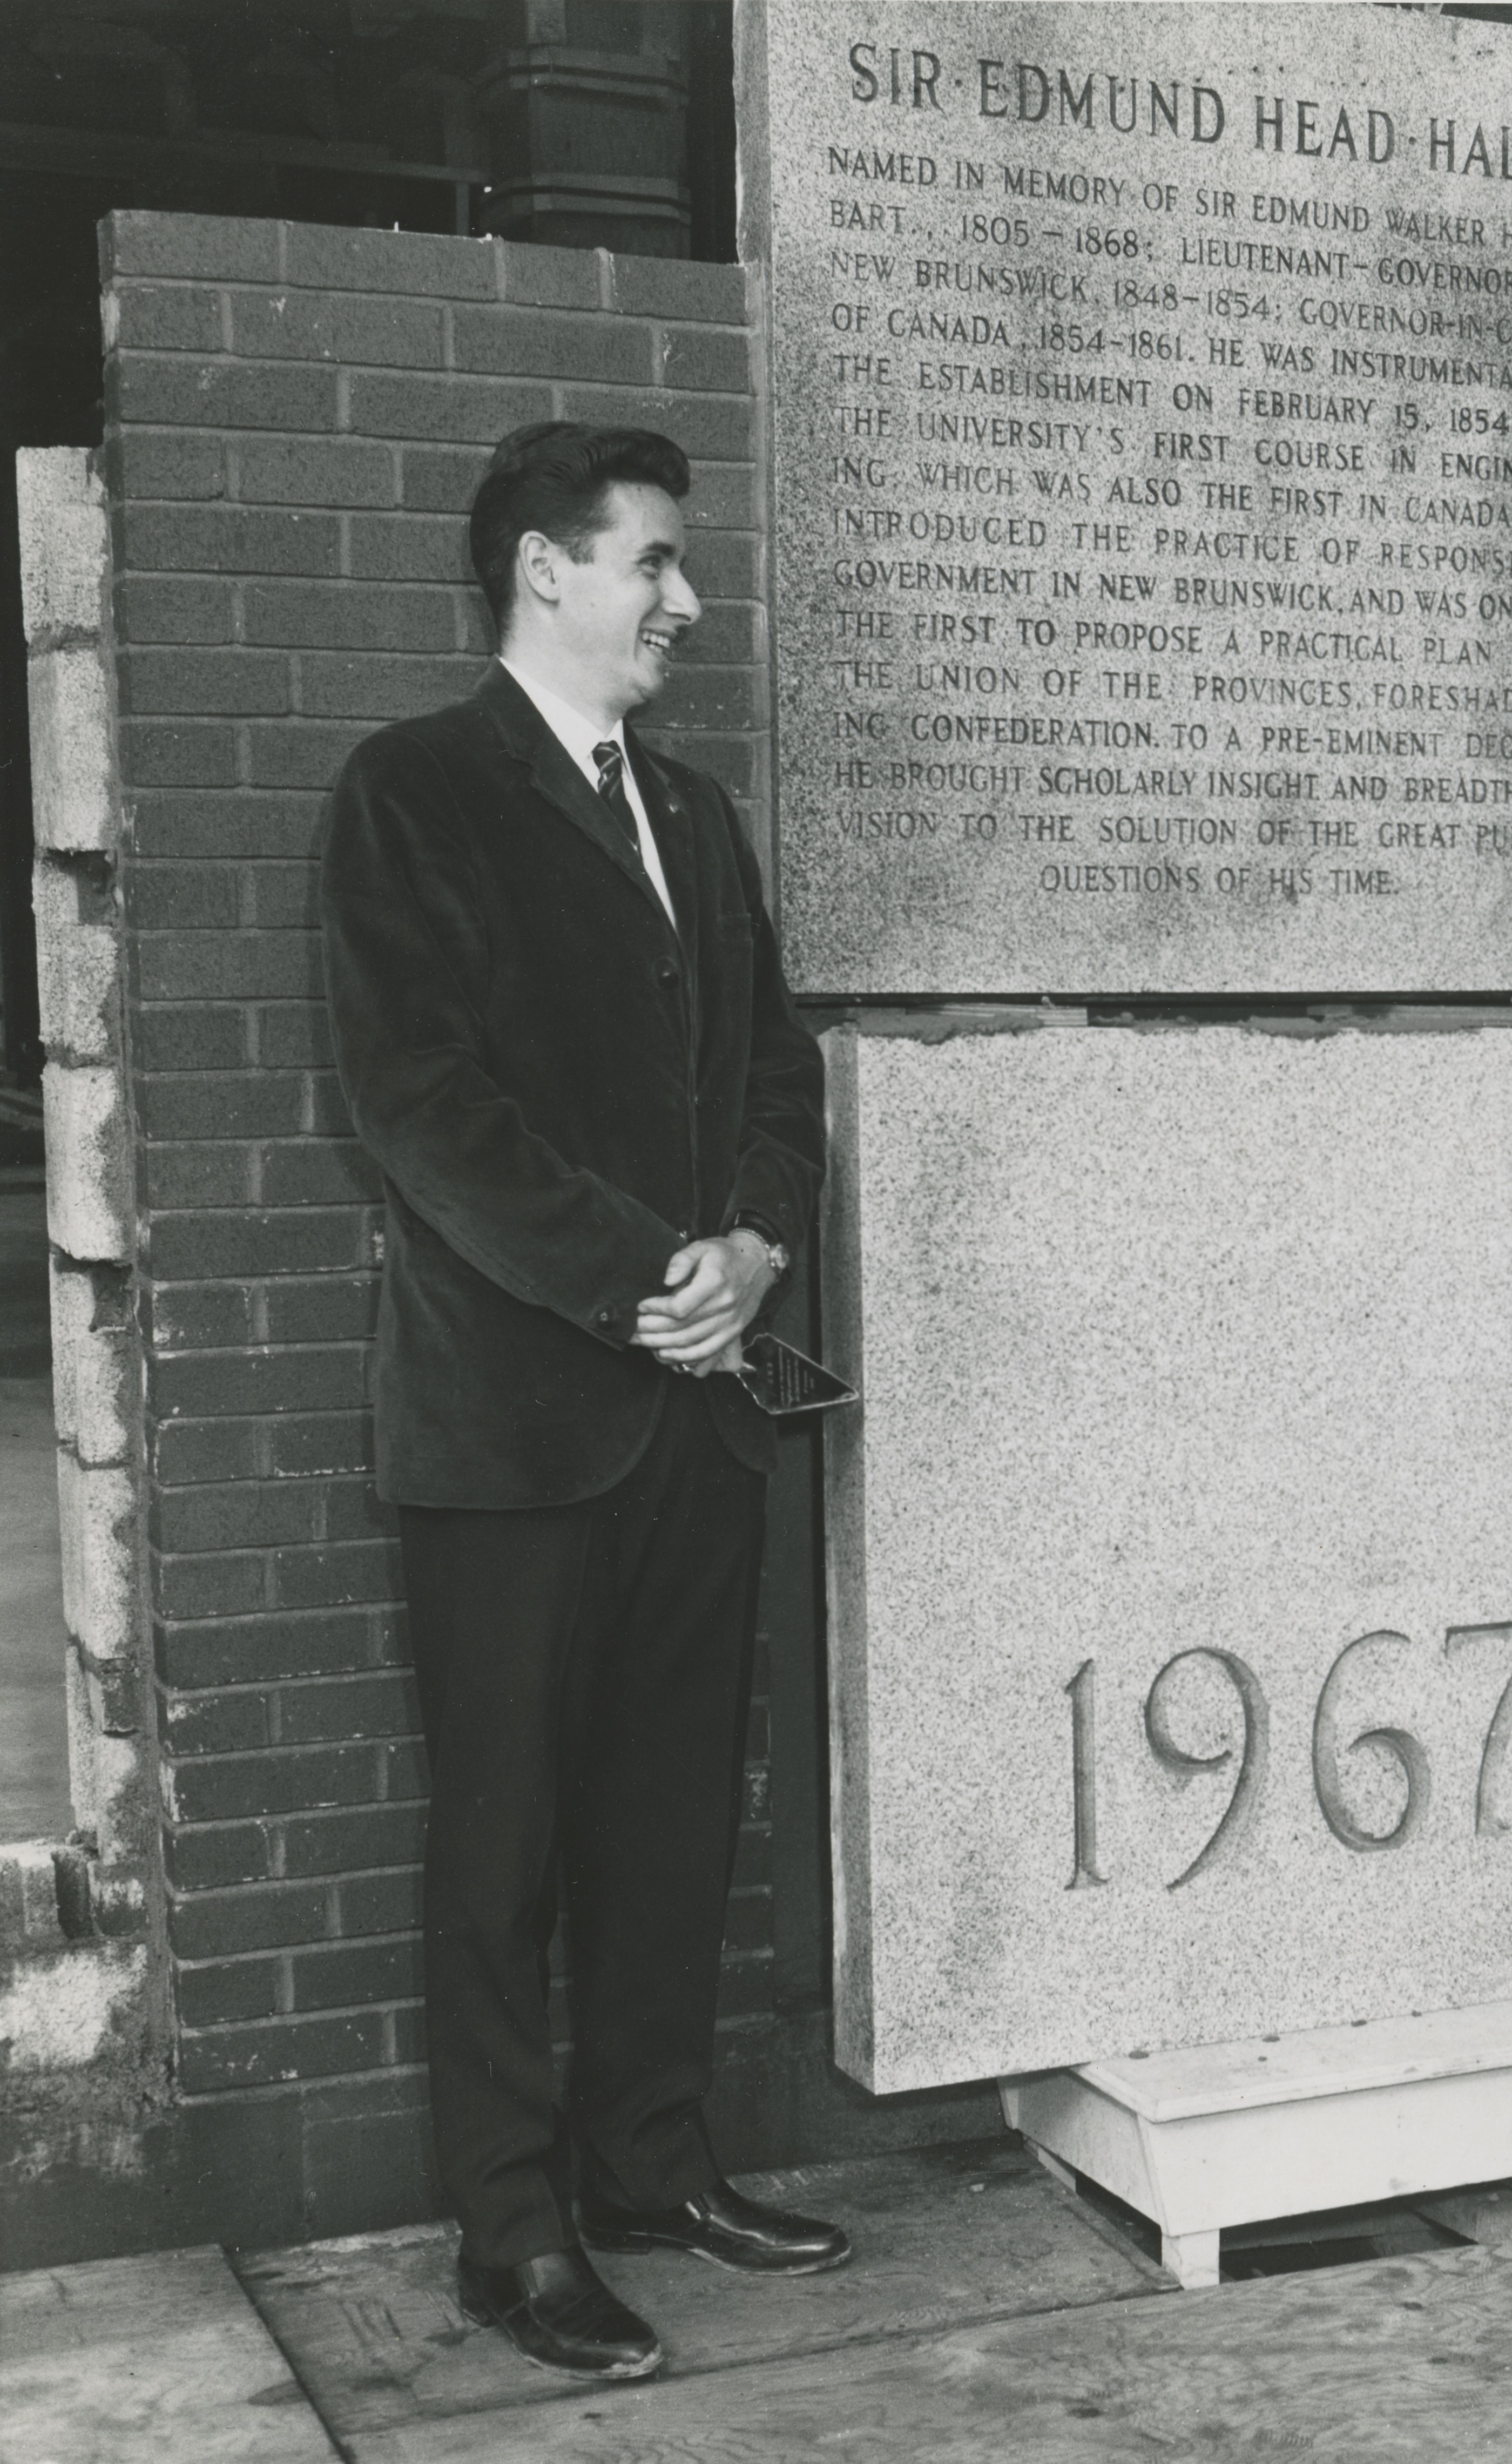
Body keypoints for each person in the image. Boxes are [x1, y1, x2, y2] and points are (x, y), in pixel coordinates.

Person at [320, 423, 842, 2382]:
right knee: (506, 1845)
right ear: (544, 571)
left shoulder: (693, 816)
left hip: (696, 1419)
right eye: (653, 565)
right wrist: (657, 1275)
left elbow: (776, 1078)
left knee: (666, 1822)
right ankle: (513, 2231)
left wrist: (760, 1255)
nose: (683, 603)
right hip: (516, 1439)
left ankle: (648, 2162)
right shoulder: (413, 795)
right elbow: (422, 1108)